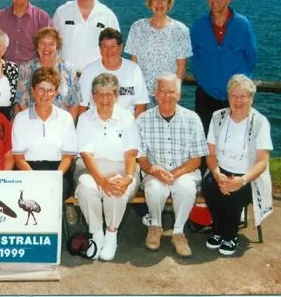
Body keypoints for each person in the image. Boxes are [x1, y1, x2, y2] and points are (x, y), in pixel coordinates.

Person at [137, 73, 207, 257]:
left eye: (171, 92)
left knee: (185, 188)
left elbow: (196, 159)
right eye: (162, 91)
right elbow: (141, 158)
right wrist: (154, 169)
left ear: (179, 95)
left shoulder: (193, 119)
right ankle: (155, 226)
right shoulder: (143, 120)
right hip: (155, 169)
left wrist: (175, 173)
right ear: (155, 94)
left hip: (185, 171)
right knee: (154, 187)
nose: (166, 96)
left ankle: (178, 231)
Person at [202, 74, 273, 256]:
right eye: (234, 95)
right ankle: (218, 229)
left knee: (236, 192)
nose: (238, 101)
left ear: (251, 98)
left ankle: (230, 235)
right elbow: (210, 154)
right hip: (222, 170)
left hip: (249, 175)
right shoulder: (218, 117)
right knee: (209, 185)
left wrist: (241, 180)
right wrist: (218, 175)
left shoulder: (260, 122)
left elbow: (262, 161)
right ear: (228, 97)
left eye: (243, 96)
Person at [74, 73, 140, 261]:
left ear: (117, 96)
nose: (105, 99)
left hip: (122, 168)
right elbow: (86, 155)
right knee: (86, 188)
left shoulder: (127, 117)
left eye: (109, 94)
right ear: (93, 97)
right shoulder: (85, 118)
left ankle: (111, 235)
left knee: (117, 187)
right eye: (100, 94)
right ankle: (96, 234)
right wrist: (101, 180)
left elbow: (131, 153)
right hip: (92, 168)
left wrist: (127, 178)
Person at [191, 0, 257, 135]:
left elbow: (251, 58)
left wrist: (237, 87)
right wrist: (207, 82)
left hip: (235, 97)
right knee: (205, 144)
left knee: (235, 141)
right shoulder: (198, 26)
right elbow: (195, 59)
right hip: (206, 95)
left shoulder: (242, 25)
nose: (214, 0)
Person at [12, 67, 77, 200]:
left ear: (56, 92)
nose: (45, 95)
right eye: (41, 89)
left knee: (53, 195)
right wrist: (36, 178)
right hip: (28, 170)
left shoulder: (65, 118)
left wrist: (55, 177)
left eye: (50, 90)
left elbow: (67, 157)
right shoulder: (21, 118)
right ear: (33, 90)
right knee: (29, 196)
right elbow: (18, 159)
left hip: (59, 171)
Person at [125, 0, 192, 103]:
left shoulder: (180, 30)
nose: (159, 3)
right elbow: (133, 65)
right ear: (149, 2)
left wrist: (174, 94)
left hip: (167, 95)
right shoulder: (137, 28)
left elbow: (181, 69)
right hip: (142, 94)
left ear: (169, 2)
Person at [52, 0, 120, 73]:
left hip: (98, 79)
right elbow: (52, 44)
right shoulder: (61, 12)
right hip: (65, 78)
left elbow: (116, 51)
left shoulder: (108, 16)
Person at [79, 28, 149, 118]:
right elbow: (81, 105)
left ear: (121, 47)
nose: (108, 51)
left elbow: (141, 104)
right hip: (97, 124)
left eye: (113, 47)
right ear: (100, 49)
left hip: (126, 125)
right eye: (104, 47)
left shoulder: (134, 69)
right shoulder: (88, 71)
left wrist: (133, 127)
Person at [15, 27, 81, 120]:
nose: (46, 48)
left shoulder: (69, 70)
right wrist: (32, 123)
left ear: (57, 47)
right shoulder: (25, 69)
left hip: (61, 125)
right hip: (33, 124)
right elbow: (21, 102)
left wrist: (67, 126)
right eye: (42, 43)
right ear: (37, 47)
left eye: (51, 44)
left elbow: (75, 103)